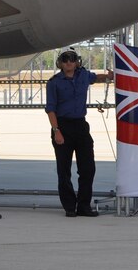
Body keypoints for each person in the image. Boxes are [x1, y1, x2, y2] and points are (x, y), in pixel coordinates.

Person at [45, 48, 110, 217]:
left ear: (77, 62)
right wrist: (56, 131)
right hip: (62, 126)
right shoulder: (54, 82)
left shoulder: (83, 76)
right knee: (64, 170)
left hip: (80, 126)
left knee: (88, 168)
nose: (69, 62)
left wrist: (111, 76)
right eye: (65, 60)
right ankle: (69, 206)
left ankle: (83, 205)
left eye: (72, 59)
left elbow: (98, 78)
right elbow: (51, 109)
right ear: (60, 63)